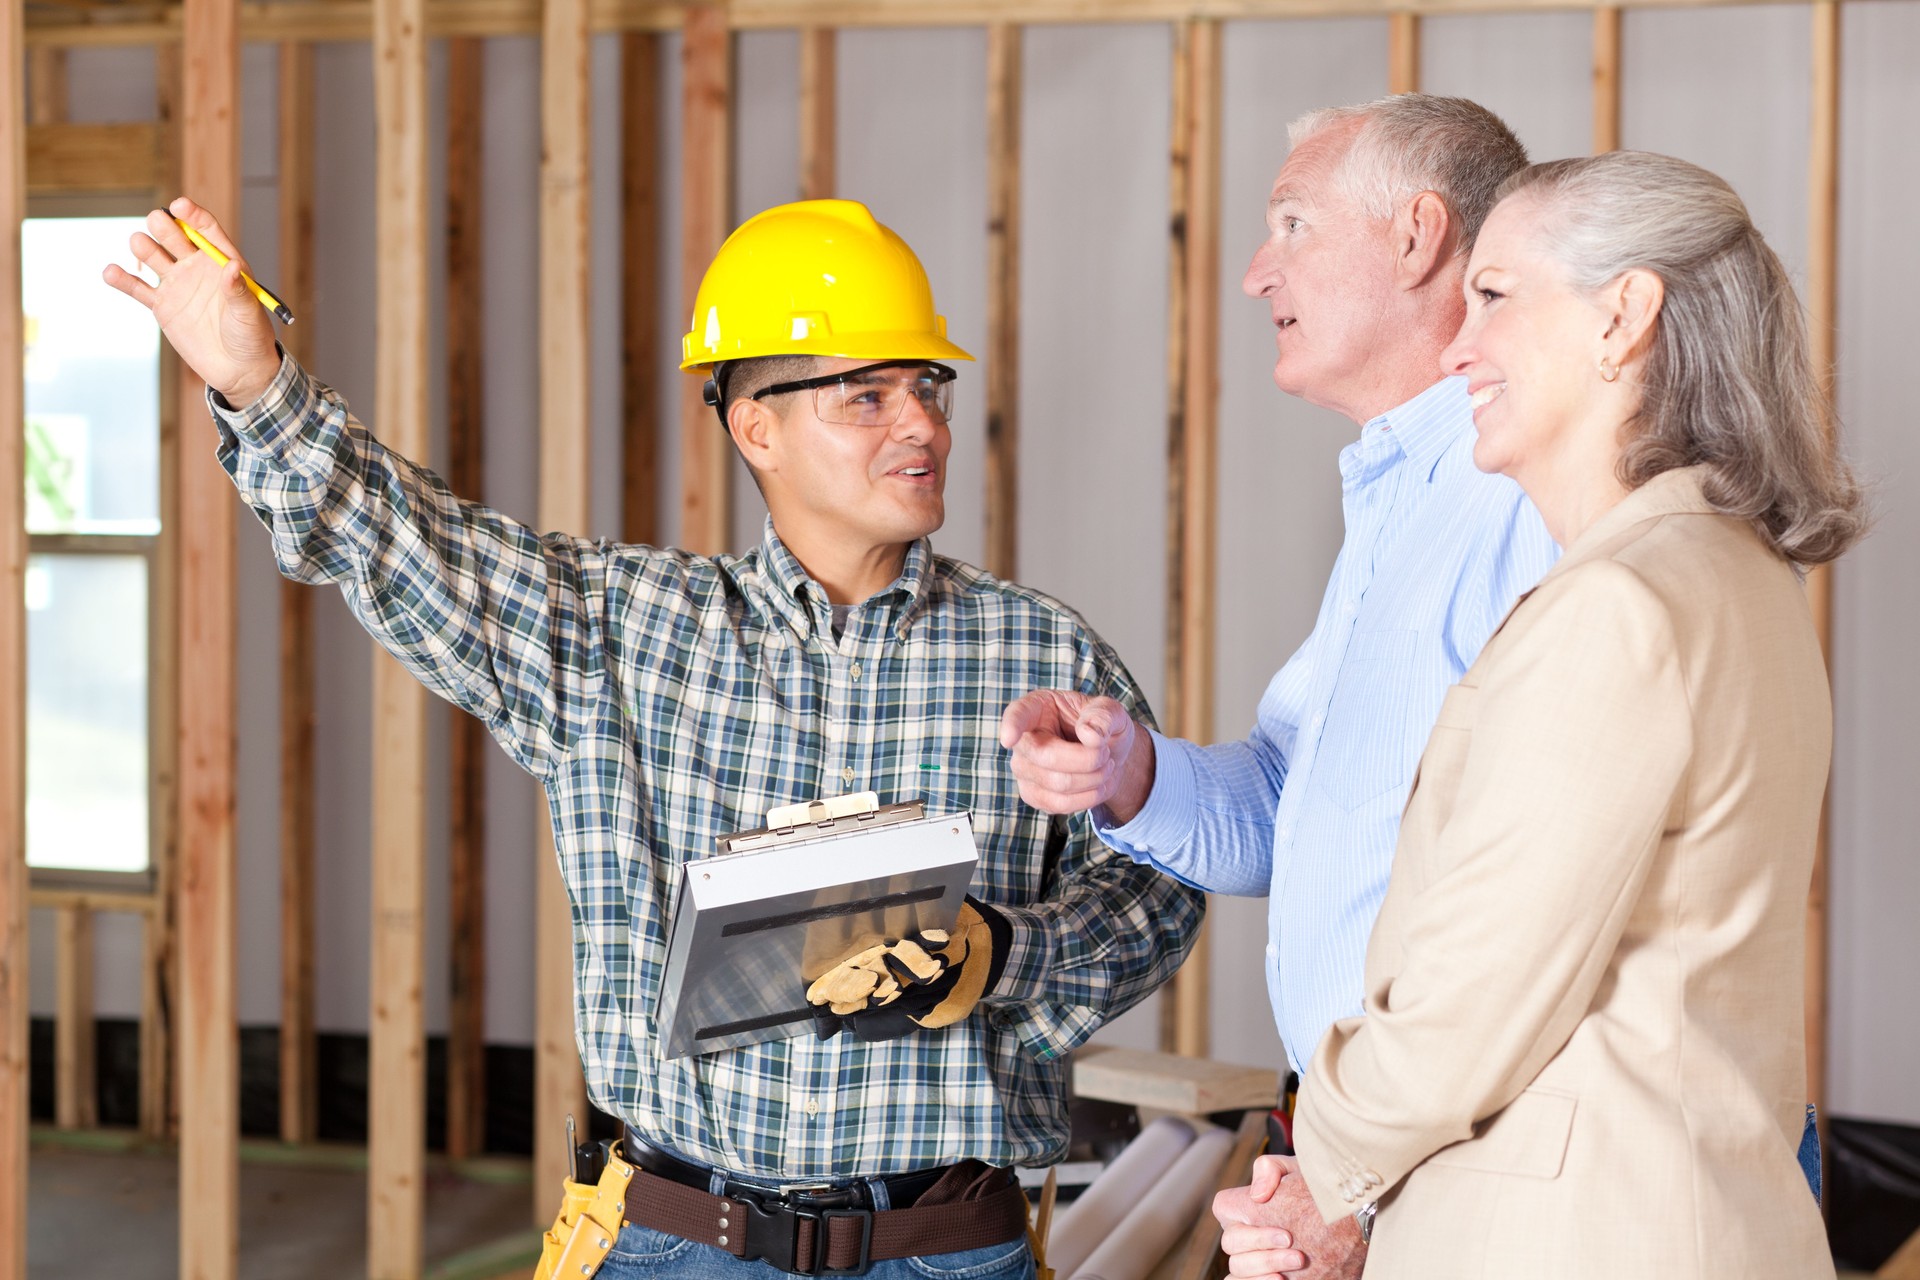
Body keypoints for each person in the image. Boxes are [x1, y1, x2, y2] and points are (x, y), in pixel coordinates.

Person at [104, 195, 1203, 1280]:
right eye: (867, 396)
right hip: (683, 1240)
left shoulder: (1040, 653)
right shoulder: (620, 633)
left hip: (946, 1248)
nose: (920, 423)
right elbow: (396, 538)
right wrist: (256, 381)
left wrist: (1004, 951)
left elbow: (1160, 887)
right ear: (755, 425)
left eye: (926, 387)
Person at [1229, 150, 1862, 1279]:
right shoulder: (1737, 576)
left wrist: (1322, 1164)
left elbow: (1475, 989)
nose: (1460, 344)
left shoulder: (1614, 609)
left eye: (1495, 296)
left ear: (1622, 318)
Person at [999, 96, 1558, 1276]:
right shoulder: (1403, 501)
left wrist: (1358, 1176)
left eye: (1294, 223)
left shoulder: (1522, 498)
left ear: (1416, 238)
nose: (1257, 273)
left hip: (1477, 1160)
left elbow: (1535, 904)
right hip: (1382, 1145)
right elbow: (1294, 809)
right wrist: (1130, 772)